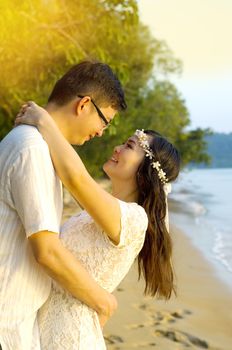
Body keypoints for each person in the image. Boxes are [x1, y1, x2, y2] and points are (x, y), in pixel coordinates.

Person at [15, 101, 181, 349]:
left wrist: (44, 120)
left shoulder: (135, 219)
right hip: (44, 328)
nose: (116, 148)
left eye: (128, 146)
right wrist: (104, 301)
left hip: (70, 337)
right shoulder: (100, 212)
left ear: (146, 168)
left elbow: (76, 177)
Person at [0, 61, 126, 350]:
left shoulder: (36, 145)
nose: (101, 133)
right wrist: (103, 302)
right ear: (84, 104)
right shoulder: (32, 149)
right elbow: (47, 251)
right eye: (104, 122)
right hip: (6, 322)